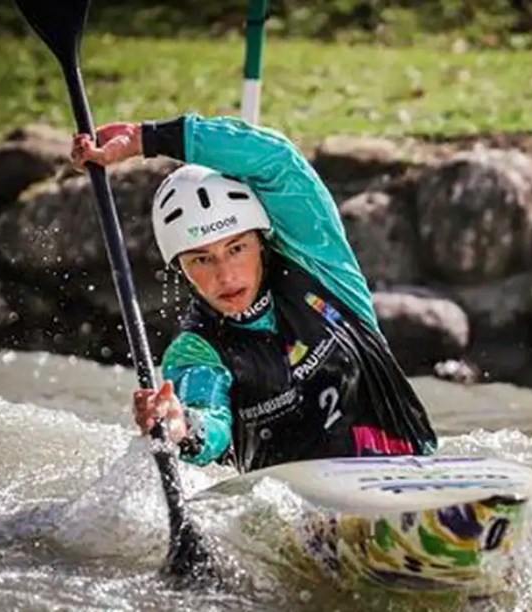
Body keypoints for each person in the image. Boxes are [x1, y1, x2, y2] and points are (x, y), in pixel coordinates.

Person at [71, 114, 437, 473]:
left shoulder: (322, 265)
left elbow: (276, 159)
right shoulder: (197, 349)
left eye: (236, 248)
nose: (226, 275)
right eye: (201, 259)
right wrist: (179, 426)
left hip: (414, 472)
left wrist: (144, 139)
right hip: (305, 519)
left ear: (260, 241)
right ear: (180, 268)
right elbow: (209, 422)